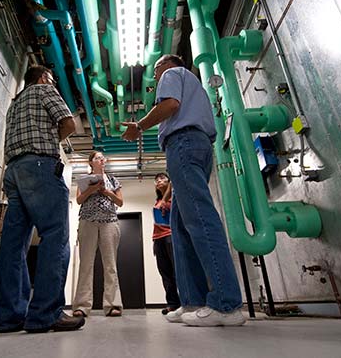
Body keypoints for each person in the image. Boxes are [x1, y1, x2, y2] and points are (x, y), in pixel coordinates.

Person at [121, 54, 245, 327]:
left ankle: (227, 305)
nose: (155, 77)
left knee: (200, 219)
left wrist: (139, 126)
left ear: (166, 65)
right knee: (180, 227)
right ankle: (193, 301)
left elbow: (170, 105)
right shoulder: (195, 86)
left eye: (155, 70)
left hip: (183, 144)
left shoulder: (172, 75)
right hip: (195, 147)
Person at [0, 65, 85, 333]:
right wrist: (49, 140)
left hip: (13, 172)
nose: (53, 82)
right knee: (55, 236)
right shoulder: (45, 89)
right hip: (41, 168)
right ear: (45, 78)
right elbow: (68, 123)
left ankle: (9, 317)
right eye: (53, 79)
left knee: (13, 246)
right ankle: (46, 314)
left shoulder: (14, 104)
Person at [72, 151, 124, 317]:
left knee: (110, 265)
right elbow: (79, 200)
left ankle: (113, 304)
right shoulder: (83, 180)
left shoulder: (113, 180)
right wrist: (92, 189)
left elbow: (120, 202)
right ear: (91, 162)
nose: (101, 159)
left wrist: (106, 192)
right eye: (97, 158)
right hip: (88, 221)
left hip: (109, 221)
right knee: (85, 264)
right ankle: (81, 306)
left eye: (102, 158)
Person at [151, 172, 181, 315]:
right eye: (156, 180)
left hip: (170, 236)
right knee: (165, 273)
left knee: (177, 271)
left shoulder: (174, 197)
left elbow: (174, 183)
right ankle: (173, 304)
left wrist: (165, 197)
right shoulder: (158, 201)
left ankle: (186, 302)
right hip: (158, 239)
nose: (159, 180)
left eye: (162, 178)